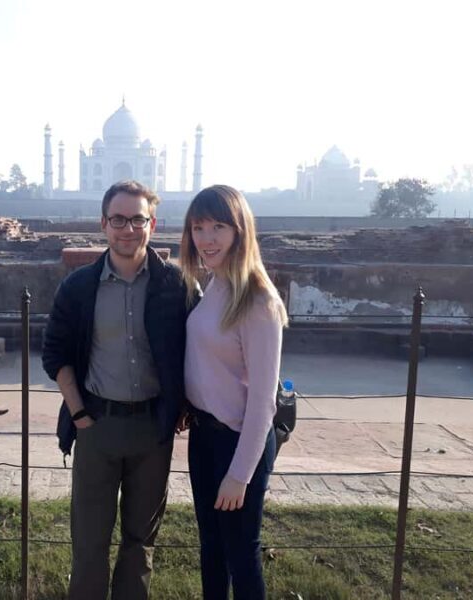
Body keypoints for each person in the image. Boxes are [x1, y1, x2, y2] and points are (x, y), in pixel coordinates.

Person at [42, 180, 192, 600]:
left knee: (139, 542)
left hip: (151, 431)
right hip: (97, 426)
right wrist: (78, 415)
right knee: (89, 542)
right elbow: (55, 355)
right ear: (103, 224)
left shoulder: (174, 286)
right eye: (119, 219)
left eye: (138, 219)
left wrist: (182, 405)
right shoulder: (80, 287)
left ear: (152, 223)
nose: (129, 229)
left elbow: (195, 350)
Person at [180, 185, 288, 599]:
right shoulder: (214, 287)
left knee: (241, 554)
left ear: (240, 230)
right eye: (198, 227)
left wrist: (240, 474)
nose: (206, 239)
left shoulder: (257, 300)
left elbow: (264, 400)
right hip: (205, 436)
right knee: (212, 548)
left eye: (218, 227)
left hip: (238, 442)